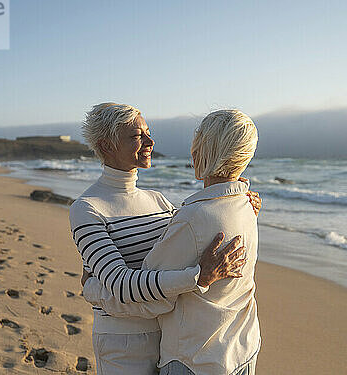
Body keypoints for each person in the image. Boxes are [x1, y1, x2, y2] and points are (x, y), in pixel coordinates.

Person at [69, 103, 261, 374]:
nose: (150, 141)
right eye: (137, 136)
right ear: (107, 145)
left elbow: (193, 245)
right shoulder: (88, 208)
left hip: (167, 336)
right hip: (125, 342)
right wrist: (198, 277)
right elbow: (122, 286)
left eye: (148, 132)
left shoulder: (158, 201)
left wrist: (239, 205)